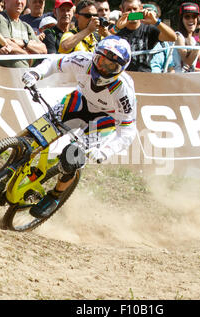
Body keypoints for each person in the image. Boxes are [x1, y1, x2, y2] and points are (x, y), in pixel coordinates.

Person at [21, 35, 136, 218]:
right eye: (101, 61)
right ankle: (14, 155)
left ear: (120, 70)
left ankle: (55, 196)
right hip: (79, 102)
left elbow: (128, 130)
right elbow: (55, 62)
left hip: (104, 120)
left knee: (71, 158)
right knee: (32, 133)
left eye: (111, 67)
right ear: (95, 55)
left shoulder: (123, 90)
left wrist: (106, 151)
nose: (103, 68)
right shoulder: (83, 60)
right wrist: (36, 73)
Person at [113, 0, 177, 72]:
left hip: (145, 75)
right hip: (123, 75)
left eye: (135, 9)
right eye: (128, 9)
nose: (132, 12)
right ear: (122, 11)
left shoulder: (149, 29)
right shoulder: (117, 29)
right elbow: (106, 43)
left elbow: (173, 37)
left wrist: (155, 21)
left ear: (140, 9)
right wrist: (116, 28)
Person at [0, 0, 47, 68]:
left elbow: (43, 49)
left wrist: (24, 43)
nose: (19, 1)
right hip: (5, 74)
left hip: (25, 74)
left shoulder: (26, 26)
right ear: (6, 1)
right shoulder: (0, 18)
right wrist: (27, 54)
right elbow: (6, 43)